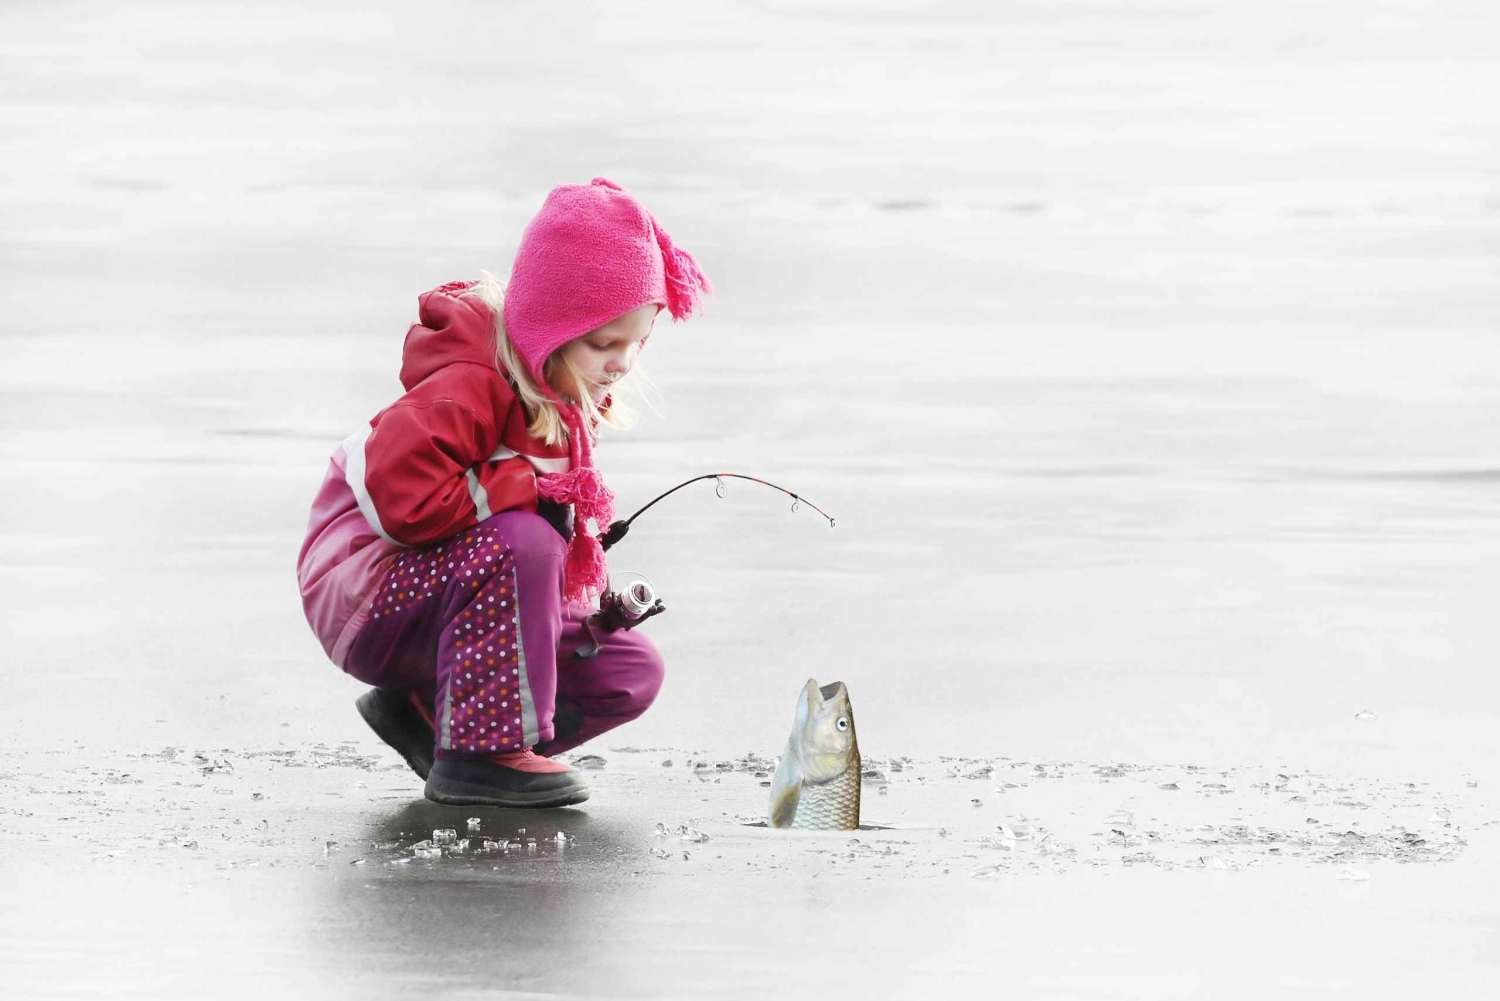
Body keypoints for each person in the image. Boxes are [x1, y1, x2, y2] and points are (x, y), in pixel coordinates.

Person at [295, 177, 712, 808]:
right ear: (551, 326)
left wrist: (596, 609)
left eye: (636, 343)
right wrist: (532, 489)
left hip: (452, 593)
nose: (622, 363)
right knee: (525, 540)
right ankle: (480, 759)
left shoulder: (564, 401)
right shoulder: (466, 383)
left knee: (628, 672)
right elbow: (400, 505)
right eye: (604, 343)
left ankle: (429, 717)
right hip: (365, 594)